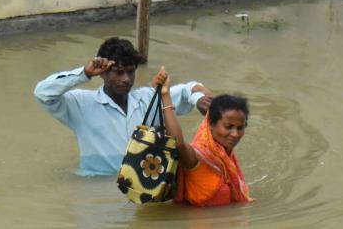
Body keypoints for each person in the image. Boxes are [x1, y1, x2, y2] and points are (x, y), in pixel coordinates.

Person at [34, 37, 213, 176]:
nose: (126, 79)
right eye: (118, 72)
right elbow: (43, 93)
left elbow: (187, 89)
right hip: (99, 188)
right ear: (102, 73)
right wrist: (84, 73)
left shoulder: (148, 99)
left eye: (130, 71)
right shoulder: (81, 104)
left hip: (145, 185)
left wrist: (198, 97)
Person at [153, 67, 253, 206]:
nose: (235, 134)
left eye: (240, 128)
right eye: (228, 127)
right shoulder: (197, 157)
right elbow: (178, 144)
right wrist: (165, 95)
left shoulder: (226, 158)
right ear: (210, 124)